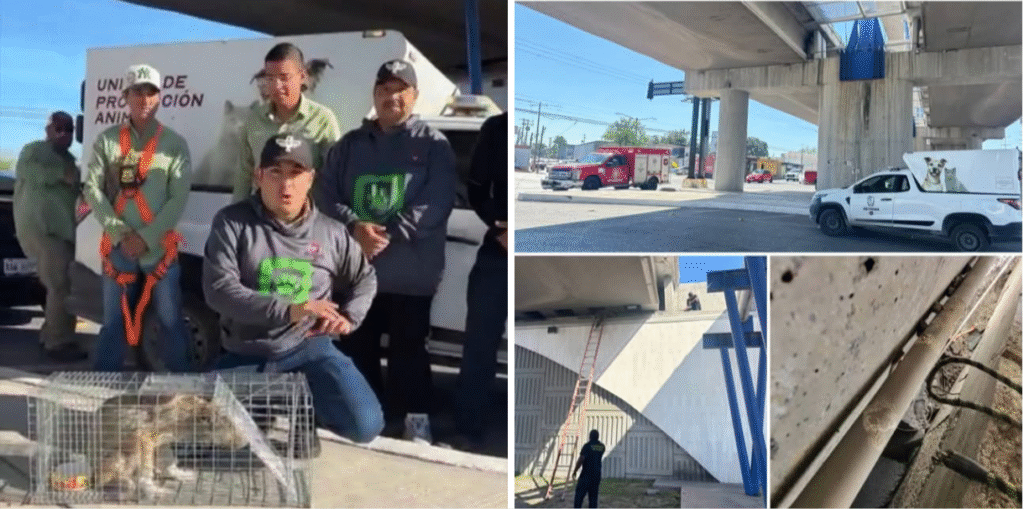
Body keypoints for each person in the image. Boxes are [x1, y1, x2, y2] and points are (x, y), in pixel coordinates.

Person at [202, 133, 383, 444]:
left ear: (310, 179)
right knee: (199, 434)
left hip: (309, 350)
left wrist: (351, 316)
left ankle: (305, 411)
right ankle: (265, 405)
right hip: (247, 351)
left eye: (295, 174)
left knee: (365, 426)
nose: (286, 185)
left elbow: (365, 278)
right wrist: (290, 309)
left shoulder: (332, 232)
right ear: (258, 177)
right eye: (275, 173)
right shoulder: (232, 223)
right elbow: (219, 289)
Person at [316, 59, 456, 443]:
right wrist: (354, 229)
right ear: (374, 95)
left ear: (414, 96)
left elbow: (438, 200)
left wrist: (388, 233)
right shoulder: (349, 146)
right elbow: (325, 195)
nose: (391, 97)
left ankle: (415, 421)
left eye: (400, 90)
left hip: (411, 275)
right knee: (357, 348)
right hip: (356, 272)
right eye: (384, 90)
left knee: (409, 352)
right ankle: (366, 416)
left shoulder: (433, 145)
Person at [82, 64, 193, 372]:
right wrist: (119, 233)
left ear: (159, 98)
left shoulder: (174, 144)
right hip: (119, 247)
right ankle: (103, 390)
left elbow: (178, 197)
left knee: (172, 320)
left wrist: (146, 237)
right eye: (137, 92)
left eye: (151, 92)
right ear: (125, 97)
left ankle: (181, 388)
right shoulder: (108, 141)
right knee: (112, 321)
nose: (145, 99)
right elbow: (91, 188)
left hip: (158, 247)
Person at [12, 111, 88, 361]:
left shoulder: (71, 161)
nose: (64, 133)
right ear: (48, 130)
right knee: (59, 286)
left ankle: (50, 335)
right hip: (43, 232)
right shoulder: (35, 151)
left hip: (61, 234)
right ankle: (58, 342)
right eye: (59, 127)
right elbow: (27, 170)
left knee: (61, 285)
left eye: (69, 129)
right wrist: (60, 175)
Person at [453, 112, 507, 449]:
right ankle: (468, 427)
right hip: (497, 248)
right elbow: (475, 190)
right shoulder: (495, 128)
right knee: (479, 345)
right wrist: (500, 227)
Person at [232, 42, 340, 203]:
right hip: (260, 217)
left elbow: (334, 176)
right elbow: (244, 173)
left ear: (302, 76)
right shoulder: (254, 119)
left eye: (284, 78)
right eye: (270, 78)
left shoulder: (323, 119)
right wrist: (237, 212)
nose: (276, 86)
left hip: (306, 219)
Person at [573, 429, 606, 508]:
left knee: (578, 498)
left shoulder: (587, 446)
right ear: (598, 437)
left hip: (586, 476)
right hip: (596, 476)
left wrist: (575, 471)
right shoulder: (602, 447)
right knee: (593, 499)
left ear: (590, 437)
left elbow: (581, 459)